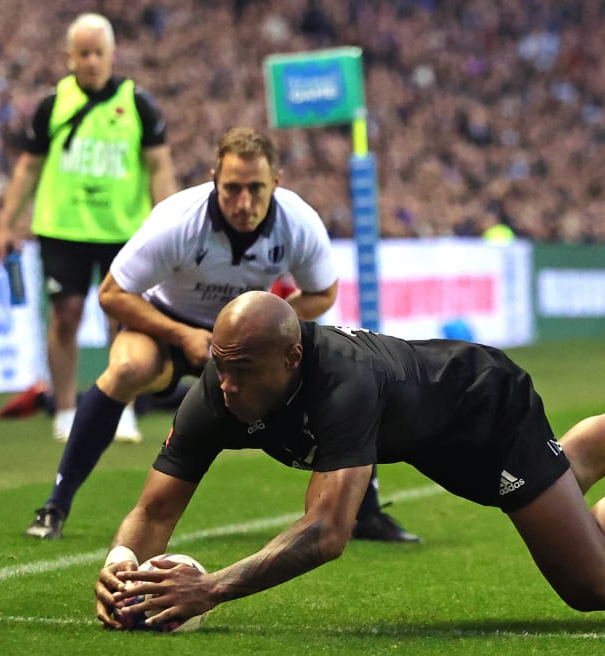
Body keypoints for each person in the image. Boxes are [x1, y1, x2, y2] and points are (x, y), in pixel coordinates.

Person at [94, 291, 605, 628]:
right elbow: (154, 508)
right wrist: (120, 568)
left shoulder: (342, 383)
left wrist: (210, 589)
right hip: (431, 434)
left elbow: (328, 532)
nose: (226, 386)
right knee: (566, 474)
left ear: (292, 359)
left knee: (596, 586)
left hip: (484, 409)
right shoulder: (220, 386)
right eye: (219, 367)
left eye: (242, 371)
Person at [25, 127, 419, 545]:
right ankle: (56, 504)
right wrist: (183, 334)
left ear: (276, 183)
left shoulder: (298, 221)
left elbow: (323, 292)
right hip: (170, 326)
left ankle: (367, 512)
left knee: (334, 372)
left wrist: (270, 329)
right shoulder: (177, 221)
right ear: (214, 179)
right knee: (126, 368)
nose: (243, 203)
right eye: (232, 189)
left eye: (256, 189)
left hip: (249, 334)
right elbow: (112, 293)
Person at [0, 13, 177, 443]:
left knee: (124, 322)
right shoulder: (52, 105)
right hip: (63, 228)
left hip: (123, 231)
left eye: (99, 53)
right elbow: (27, 169)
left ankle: (123, 409)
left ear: (112, 55)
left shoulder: (139, 106)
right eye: (84, 53)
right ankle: (65, 410)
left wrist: (167, 224)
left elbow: (159, 168)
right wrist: (7, 222)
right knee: (66, 316)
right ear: (69, 56)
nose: (92, 61)